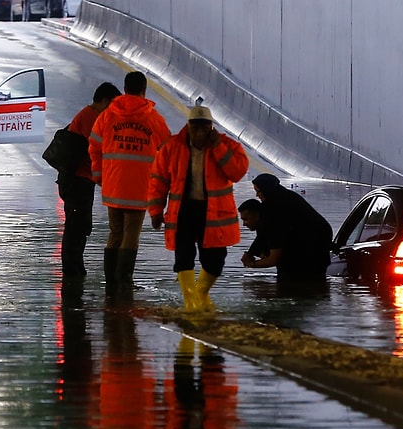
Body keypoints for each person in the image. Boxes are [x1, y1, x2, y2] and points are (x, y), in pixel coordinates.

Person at [148, 105, 249, 312]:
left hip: (213, 214)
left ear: (211, 127)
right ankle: (191, 302)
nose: (200, 132)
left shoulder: (228, 146)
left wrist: (219, 148)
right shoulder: (172, 147)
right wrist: (156, 211)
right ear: (188, 126)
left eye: (204, 128)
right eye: (195, 127)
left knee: (215, 260)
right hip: (183, 211)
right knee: (183, 256)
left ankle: (201, 294)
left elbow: (237, 173)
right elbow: (158, 181)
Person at [89, 71, 171, 291]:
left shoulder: (108, 116)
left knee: (115, 232)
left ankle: (111, 281)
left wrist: (98, 174)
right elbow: (168, 154)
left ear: (124, 88)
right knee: (130, 235)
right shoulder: (154, 119)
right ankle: (124, 279)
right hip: (139, 187)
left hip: (113, 184)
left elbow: (94, 146)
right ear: (144, 90)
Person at [59, 82, 121, 278]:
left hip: (81, 179)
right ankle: (73, 270)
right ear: (104, 101)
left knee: (80, 225)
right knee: (77, 226)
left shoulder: (91, 116)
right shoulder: (91, 117)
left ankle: (76, 267)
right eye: (113, 104)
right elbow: (101, 146)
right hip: (77, 180)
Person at [241, 173, 333, 282]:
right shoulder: (285, 198)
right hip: (316, 251)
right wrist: (252, 253)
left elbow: (273, 254)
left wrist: (252, 263)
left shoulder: (275, 209)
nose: (257, 195)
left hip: (306, 254)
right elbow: (264, 234)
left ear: (266, 190)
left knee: (293, 284)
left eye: (258, 191)